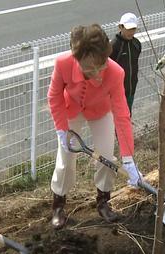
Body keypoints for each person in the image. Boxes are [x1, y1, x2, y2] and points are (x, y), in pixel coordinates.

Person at [48, 24, 142, 230]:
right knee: (65, 160)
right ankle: (58, 205)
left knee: (107, 157)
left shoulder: (116, 73)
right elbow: (54, 96)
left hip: (100, 111)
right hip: (71, 109)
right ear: (76, 57)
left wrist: (128, 157)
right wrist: (61, 130)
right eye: (90, 68)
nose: (98, 73)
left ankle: (103, 201)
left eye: (100, 66)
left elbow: (122, 114)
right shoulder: (63, 63)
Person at [110, 12, 142, 114]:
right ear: (121, 27)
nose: (131, 32)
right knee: (116, 117)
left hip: (131, 89)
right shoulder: (114, 46)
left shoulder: (136, 44)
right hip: (116, 91)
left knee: (127, 115)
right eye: (128, 29)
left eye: (133, 29)